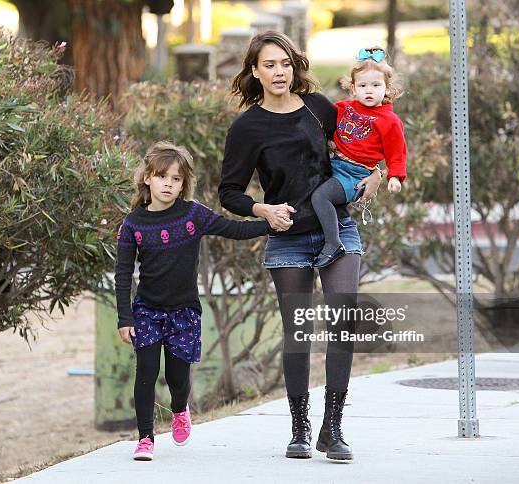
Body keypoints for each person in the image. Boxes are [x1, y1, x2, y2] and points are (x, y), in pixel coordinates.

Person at [218, 31, 383, 461]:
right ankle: (299, 428)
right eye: (269, 64)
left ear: (295, 67)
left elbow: (366, 145)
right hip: (287, 240)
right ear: (254, 71)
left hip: (337, 229)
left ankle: (333, 427)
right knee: (298, 335)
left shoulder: (320, 109)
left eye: (285, 63)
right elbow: (229, 191)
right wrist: (263, 210)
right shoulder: (247, 127)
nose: (279, 72)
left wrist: (378, 175)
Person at [115, 141, 282, 461]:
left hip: (184, 312)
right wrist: (126, 318)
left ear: (183, 184)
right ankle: (145, 438)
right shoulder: (133, 224)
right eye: (162, 176)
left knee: (178, 379)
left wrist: (270, 222)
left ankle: (180, 409)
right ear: (147, 178)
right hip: (147, 311)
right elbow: (123, 274)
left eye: (176, 179)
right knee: (146, 373)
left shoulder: (193, 215)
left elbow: (233, 229)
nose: (168, 183)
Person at [310, 46, 406, 268]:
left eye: (376, 85)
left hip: (356, 174)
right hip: (335, 163)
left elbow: (397, 152)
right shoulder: (343, 108)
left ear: (387, 88)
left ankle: (333, 244)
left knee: (320, 197)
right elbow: (324, 126)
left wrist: (394, 177)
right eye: (363, 86)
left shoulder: (389, 121)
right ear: (353, 88)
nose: (369, 90)